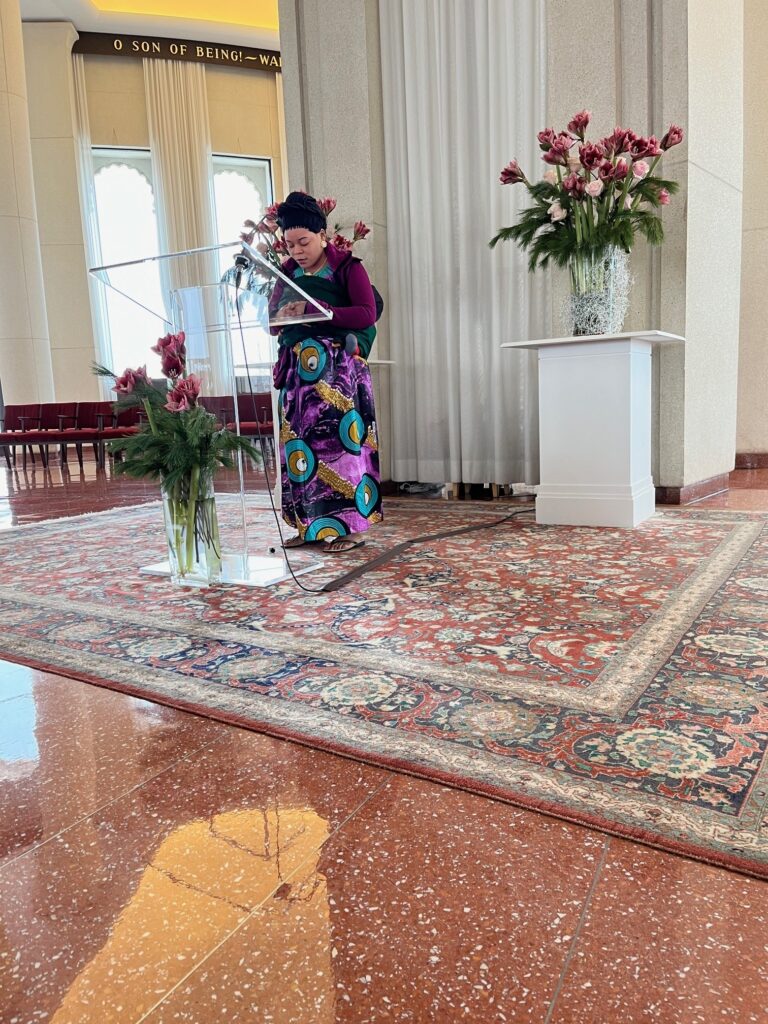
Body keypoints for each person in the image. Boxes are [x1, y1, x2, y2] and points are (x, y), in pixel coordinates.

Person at [268, 192, 383, 553]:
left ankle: (350, 528)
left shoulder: (349, 268)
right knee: (300, 450)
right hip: (297, 377)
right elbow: (271, 322)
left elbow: (366, 313)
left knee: (339, 447)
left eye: (303, 242)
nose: (297, 251)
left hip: (337, 373)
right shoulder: (286, 273)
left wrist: (318, 309)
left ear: (322, 235)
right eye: (289, 244)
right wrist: (283, 317)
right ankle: (308, 525)